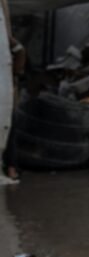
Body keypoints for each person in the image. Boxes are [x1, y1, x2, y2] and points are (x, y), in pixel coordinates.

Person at [2, 36, 25, 183]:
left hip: (6, 95)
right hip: (6, 94)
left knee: (10, 129)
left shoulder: (5, 38)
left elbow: (20, 51)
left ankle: (11, 168)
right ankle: (10, 168)